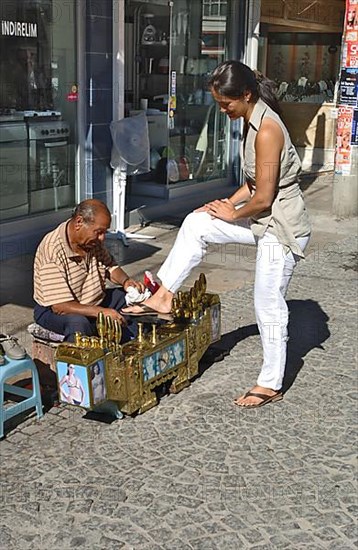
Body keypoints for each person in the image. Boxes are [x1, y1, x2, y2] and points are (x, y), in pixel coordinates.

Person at [123, 60, 311, 409]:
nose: (223, 111)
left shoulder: (268, 129)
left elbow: (265, 197)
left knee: (267, 301)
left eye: (226, 105)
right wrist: (223, 204)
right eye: (220, 105)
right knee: (196, 223)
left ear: (246, 95)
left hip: (282, 230)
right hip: (262, 220)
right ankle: (163, 295)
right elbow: (254, 184)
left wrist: (234, 213)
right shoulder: (251, 122)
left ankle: (271, 383)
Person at [33, 199, 144, 342]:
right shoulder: (52, 249)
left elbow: (110, 266)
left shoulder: (92, 242)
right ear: (79, 222)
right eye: (99, 232)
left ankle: (133, 346)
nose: (102, 238)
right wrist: (101, 313)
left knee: (130, 300)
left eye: (104, 232)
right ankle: (76, 363)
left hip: (92, 302)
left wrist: (127, 282)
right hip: (55, 310)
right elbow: (59, 306)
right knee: (78, 324)